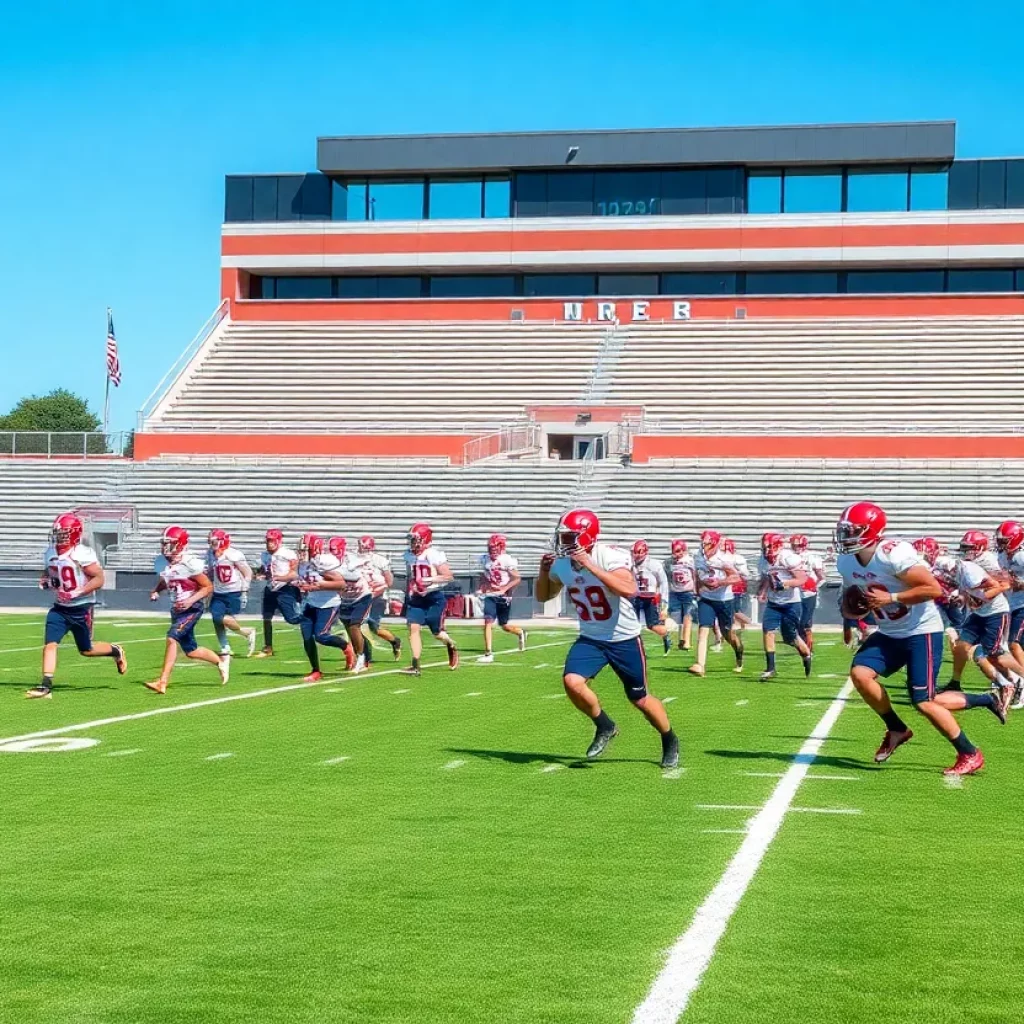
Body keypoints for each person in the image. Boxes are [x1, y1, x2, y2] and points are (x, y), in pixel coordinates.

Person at [835, 502, 1005, 777]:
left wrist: (891, 598)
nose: (846, 536)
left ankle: (970, 752)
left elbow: (932, 588)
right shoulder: (845, 561)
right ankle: (897, 728)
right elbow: (851, 596)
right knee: (860, 674)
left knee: (924, 701)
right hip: (889, 632)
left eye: (853, 530)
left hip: (921, 631)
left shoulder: (892, 554)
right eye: (844, 530)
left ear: (872, 531)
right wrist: (852, 609)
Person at [535, 508, 679, 769]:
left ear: (586, 537)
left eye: (570, 537)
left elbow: (629, 589)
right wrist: (544, 573)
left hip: (623, 638)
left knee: (640, 699)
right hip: (591, 637)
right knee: (572, 682)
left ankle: (669, 739)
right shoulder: (562, 564)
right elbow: (543, 596)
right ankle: (605, 725)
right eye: (563, 537)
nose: (563, 542)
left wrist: (590, 564)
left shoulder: (608, 555)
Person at [26, 513, 128, 699]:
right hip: (60, 608)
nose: (59, 537)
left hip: (82, 607)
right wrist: (47, 581)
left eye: (63, 533)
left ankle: (115, 650)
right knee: (50, 644)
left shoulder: (81, 553)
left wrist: (79, 591)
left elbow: (99, 578)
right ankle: (46, 685)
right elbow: (51, 573)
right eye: (58, 533)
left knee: (86, 650)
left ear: (74, 534)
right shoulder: (50, 552)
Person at [146, 526, 229, 694]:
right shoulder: (166, 563)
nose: (165, 547)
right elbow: (166, 579)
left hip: (192, 608)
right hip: (177, 609)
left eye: (170, 544)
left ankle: (162, 682)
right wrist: (156, 590)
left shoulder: (189, 563)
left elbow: (207, 586)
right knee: (191, 651)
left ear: (181, 544)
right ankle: (220, 662)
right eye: (165, 544)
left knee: (171, 638)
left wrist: (190, 600)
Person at [945, 530, 1024, 700]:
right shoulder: (967, 562)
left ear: (980, 548)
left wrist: (981, 598)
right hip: (979, 612)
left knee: (996, 654)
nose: (966, 551)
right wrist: (963, 598)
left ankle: (1015, 681)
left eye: (970, 548)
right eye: (964, 547)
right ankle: (955, 682)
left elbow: (1004, 584)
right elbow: (967, 586)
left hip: (995, 611)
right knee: (961, 646)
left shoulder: (989, 561)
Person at [295, 533, 355, 682]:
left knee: (321, 635)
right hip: (310, 603)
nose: (301, 553)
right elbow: (301, 579)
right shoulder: (302, 564)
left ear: (314, 549)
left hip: (328, 604)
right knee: (307, 636)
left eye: (305, 549)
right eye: (300, 550)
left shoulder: (323, 563)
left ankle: (346, 647)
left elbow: (341, 584)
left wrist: (319, 585)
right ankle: (316, 670)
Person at [401, 522, 458, 676]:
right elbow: (410, 576)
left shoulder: (433, 554)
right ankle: (415, 664)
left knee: (437, 633)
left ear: (425, 540)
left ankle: (451, 645)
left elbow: (448, 576)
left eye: (416, 539)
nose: (413, 543)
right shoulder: (408, 555)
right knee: (413, 628)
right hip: (417, 598)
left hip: (434, 597)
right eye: (412, 539)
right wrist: (411, 588)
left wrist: (428, 580)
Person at [757, 532, 814, 681]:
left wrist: (785, 584)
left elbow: (802, 578)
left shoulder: (788, 557)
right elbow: (765, 578)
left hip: (791, 603)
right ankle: (771, 668)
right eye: (765, 547)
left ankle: (806, 655)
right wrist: (762, 591)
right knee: (768, 630)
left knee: (790, 637)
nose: (767, 550)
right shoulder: (763, 561)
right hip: (773, 602)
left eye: (770, 547)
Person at [690, 530, 744, 677]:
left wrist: (720, 582)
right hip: (706, 598)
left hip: (723, 600)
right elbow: (697, 574)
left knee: (727, 633)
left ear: (714, 544)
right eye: (703, 542)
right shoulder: (698, 556)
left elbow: (736, 578)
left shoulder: (723, 559)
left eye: (706, 543)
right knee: (703, 629)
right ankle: (700, 665)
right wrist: (699, 587)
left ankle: (739, 651)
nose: (703, 546)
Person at [206, 529, 257, 658]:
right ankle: (225, 646)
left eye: (214, 541)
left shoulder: (234, 554)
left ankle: (246, 632)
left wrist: (245, 590)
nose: (212, 544)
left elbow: (247, 572)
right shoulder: (210, 554)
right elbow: (211, 572)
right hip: (218, 592)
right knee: (216, 618)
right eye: (211, 541)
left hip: (233, 591)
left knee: (220, 618)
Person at [477, 533, 527, 663]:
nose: (492, 551)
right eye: (490, 548)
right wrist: (482, 586)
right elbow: (484, 576)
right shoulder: (484, 559)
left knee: (504, 625)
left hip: (504, 597)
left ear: (501, 548)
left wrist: (504, 589)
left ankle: (520, 632)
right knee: (488, 621)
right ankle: (488, 653)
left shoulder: (506, 560)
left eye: (494, 548)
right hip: (490, 595)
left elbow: (517, 578)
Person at [254, 528, 303, 658]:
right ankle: (268, 647)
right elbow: (264, 571)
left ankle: (313, 619)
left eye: (272, 541)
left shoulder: (288, 554)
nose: (269, 543)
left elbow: (293, 574)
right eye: (268, 540)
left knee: (292, 619)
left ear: (278, 541)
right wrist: (260, 575)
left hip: (285, 588)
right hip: (271, 588)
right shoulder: (264, 555)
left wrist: (280, 578)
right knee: (266, 618)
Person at [913, 537, 964, 652]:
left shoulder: (943, 562)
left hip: (948, 598)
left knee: (958, 622)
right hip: (933, 599)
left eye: (924, 555)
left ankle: (963, 647)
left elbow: (959, 572)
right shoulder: (918, 565)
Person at [328, 537, 370, 673]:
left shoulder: (350, 560)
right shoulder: (328, 561)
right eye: (331, 550)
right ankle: (361, 657)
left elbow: (353, 576)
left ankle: (361, 659)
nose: (332, 553)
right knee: (349, 629)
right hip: (345, 599)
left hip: (361, 596)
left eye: (334, 550)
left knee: (354, 627)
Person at [358, 535, 402, 660]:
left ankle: (395, 641)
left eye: (363, 546)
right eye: (360, 546)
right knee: (357, 624)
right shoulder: (355, 559)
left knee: (374, 627)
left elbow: (389, 581)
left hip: (377, 597)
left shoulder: (379, 560)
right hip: (360, 597)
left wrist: (375, 591)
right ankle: (365, 655)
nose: (361, 549)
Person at [996, 520, 1024, 709]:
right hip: (1011, 605)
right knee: (1006, 645)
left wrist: (1017, 584)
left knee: (1014, 644)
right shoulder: (1002, 557)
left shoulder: (1021, 556)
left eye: (1005, 541)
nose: (1001, 544)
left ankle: (1021, 680)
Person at [630, 540, 671, 654]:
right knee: (632, 624)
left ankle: (666, 635)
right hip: (636, 597)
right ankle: (635, 649)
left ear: (645, 552)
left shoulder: (654, 564)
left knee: (652, 625)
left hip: (650, 597)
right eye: (634, 552)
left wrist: (664, 603)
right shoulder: (630, 564)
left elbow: (663, 582)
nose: (635, 555)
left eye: (638, 552)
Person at [790, 533, 825, 652]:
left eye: (798, 545)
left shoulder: (812, 557)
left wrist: (814, 586)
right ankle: (806, 646)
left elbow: (822, 577)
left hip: (809, 593)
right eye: (794, 545)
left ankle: (807, 647)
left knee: (804, 622)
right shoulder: (788, 557)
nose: (796, 548)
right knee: (799, 622)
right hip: (794, 593)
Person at [665, 539, 696, 651]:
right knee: (676, 618)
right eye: (674, 551)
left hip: (687, 591)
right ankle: (679, 640)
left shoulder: (690, 561)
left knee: (688, 616)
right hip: (674, 592)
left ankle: (686, 642)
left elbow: (694, 575)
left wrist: (696, 590)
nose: (676, 554)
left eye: (678, 551)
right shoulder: (669, 562)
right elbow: (667, 577)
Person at [723, 538, 752, 631]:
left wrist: (734, 570)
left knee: (734, 610)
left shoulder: (737, 558)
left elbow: (745, 573)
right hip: (728, 586)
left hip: (736, 586)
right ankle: (741, 626)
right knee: (732, 610)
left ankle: (750, 623)